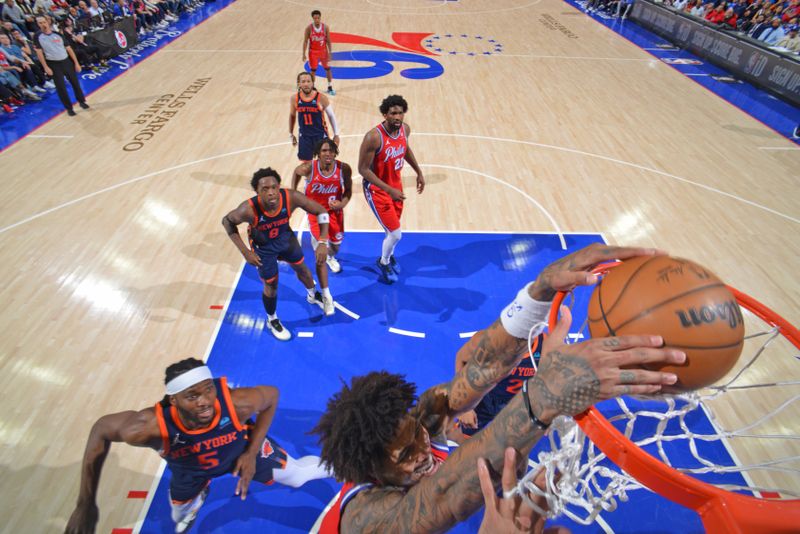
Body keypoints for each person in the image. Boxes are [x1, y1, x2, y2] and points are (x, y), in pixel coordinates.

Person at [312, 243, 686, 533]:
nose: (424, 446)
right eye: (407, 452)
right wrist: (543, 394)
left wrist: (537, 293)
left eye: (418, 435)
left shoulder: (420, 424)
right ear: (372, 474)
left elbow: (483, 366)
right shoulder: (365, 519)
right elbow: (443, 493)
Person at [64, 358, 332, 534]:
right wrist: (85, 503)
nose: (205, 401)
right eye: (192, 396)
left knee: (298, 477)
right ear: (173, 400)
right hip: (192, 472)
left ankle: (346, 463)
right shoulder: (149, 427)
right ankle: (198, 496)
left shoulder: (237, 403)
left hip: (242, 453)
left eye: (208, 390)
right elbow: (100, 429)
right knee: (178, 514)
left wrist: (251, 453)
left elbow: (272, 396)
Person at [222, 167, 334, 340]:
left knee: (303, 269)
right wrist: (245, 252)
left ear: (279, 186)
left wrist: (323, 241)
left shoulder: (290, 198)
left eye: (274, 187)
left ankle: (313, 294)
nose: (271, 193)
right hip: (263, 248)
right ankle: (272, 319)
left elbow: (321, 211)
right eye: (265, 189)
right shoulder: (247, 210)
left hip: (285, 239)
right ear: (257, 192)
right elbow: (227, 222)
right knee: (271, 285)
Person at [358, 94, 425, 284]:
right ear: (385, 115)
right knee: (396, 233)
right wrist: (388, 189)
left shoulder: (405, 130)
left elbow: (405, 149)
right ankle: (383, 261)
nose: (397, 117)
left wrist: (418, 171)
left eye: (400, 113)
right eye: (393, 113)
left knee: (392, 232)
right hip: (377, 189)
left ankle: (388, 255)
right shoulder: (373, 137)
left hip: (395, 185)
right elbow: (362, 170)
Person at [452, 333, 545, 444]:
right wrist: (464, 406)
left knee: (512, 451)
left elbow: (551, 383)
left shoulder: (546, 346)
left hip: (516, 406)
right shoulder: (489, 339)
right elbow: (461, 359)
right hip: (484, 398)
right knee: (462, 437)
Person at [291, 138, 352, 274]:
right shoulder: (309, 168)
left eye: (331, 150)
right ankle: (322, 277)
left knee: (336, 247)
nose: (328, 153)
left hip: (335, 213)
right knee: (320, 246)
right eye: (324, 150)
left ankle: (331, 256)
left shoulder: (344, 168)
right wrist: (294, 191)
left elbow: (348, 190)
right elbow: (296, 172)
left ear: (335, 153)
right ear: (318, 153)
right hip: (315, 214)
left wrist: (342, 203)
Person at [32, 14, 88, 116]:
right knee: (61, 87)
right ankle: (69, 108)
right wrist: (45, 67)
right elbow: (39, 53)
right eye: (40, 23)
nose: (43, 24)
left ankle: (82, 101)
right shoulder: (37, 36)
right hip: (53, 64)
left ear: (48, 22)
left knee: (75, 83)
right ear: (37, 24)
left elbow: (69, 49)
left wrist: (76, 63)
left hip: (66, 61)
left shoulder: (57, 34)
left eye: (44, 22)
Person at [289, 71, 340, 163]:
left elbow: (331, 116)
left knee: (325, 162)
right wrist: (291, 134)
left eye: (308, 81)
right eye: (303, 81)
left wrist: (336, 134)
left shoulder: (321, 98)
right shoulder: (294, 99)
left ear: (312, 83)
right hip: (304, 136)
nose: (306, 84)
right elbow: (292, 116)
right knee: (306, 165)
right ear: (299, 84)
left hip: (320, 135)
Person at [302, 9, 334, 95]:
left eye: (318, 18)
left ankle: (330, 87)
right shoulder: (309, 28)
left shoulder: (325, 27)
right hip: (313, 52)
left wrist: (330, 53)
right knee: (313, 70)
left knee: (327, 69)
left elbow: (328, 41)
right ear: (313, 18)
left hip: (323, 52)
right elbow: (305, 41)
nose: (316, 20)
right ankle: (312, 87)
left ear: (320, 18)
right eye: (315, 18)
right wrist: (303, 54)